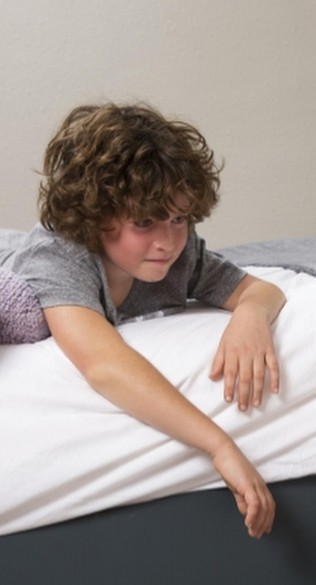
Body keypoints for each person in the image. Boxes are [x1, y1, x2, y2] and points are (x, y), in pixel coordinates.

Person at [6, 102, 286, 538]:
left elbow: (261, 290)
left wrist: (250, 316)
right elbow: (104, 365)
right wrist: (219, 445)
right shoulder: (58, 258)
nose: (167, 241)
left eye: (178, 219)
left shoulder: (179, 257)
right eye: (144, 222)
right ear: (96, 215)